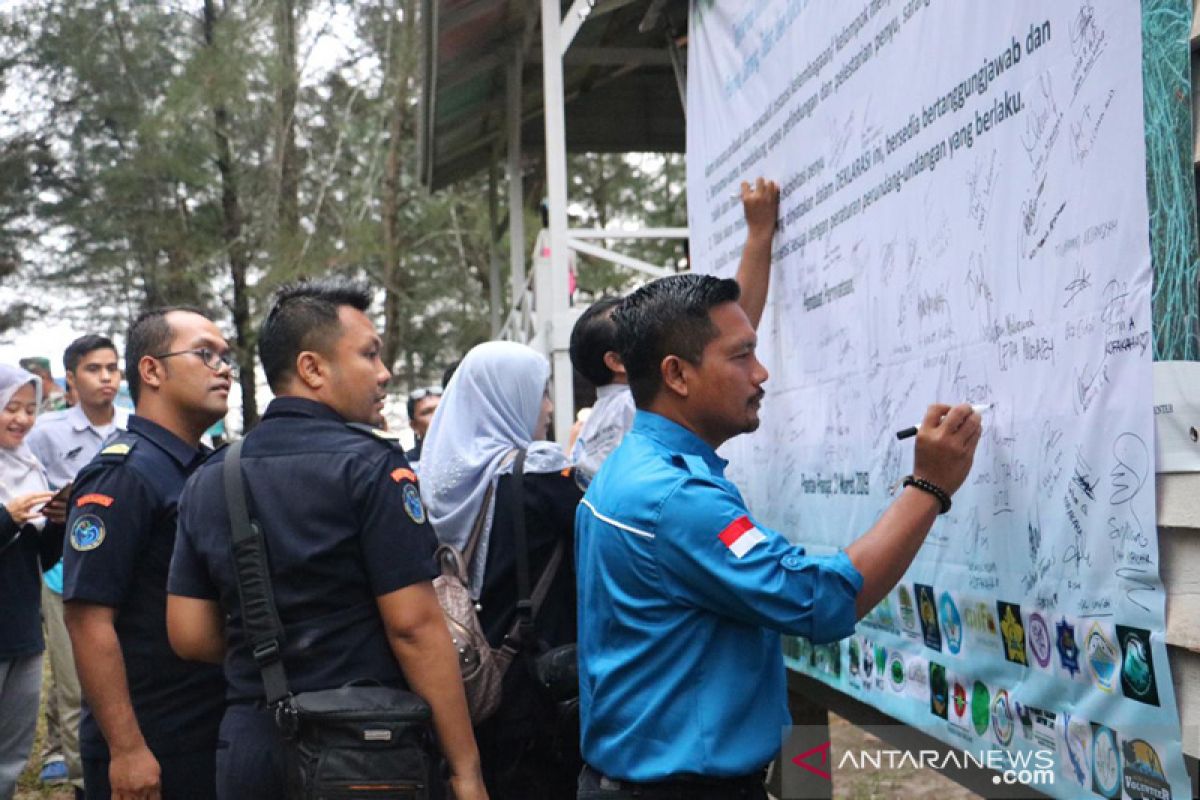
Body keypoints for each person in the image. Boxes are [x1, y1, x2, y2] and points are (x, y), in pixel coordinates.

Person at [575, 274, 982, 798]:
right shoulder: (677, 497)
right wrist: (928, 486)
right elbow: (819, 599)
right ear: (676, 374)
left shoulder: (633, 467)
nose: (761, 374)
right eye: (741, 356)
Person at [165, 279, 486, 800]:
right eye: (370, 355)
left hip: (252, 742)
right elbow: (414, 628)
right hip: (363, 745)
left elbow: (189, 634)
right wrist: (466, 768)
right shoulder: (371, 465)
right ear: (313, 368)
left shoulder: (211, 476)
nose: (384, 375)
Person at [63, 308, 232, 800]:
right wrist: (127, 749)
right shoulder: (124, 475)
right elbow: (88, 619)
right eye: (205, 354)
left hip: (206, 728)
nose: (222, 368)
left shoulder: (199, 467)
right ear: (152, 371)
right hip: (153, 741)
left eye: (226, 357)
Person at [420, 341, 582, 799]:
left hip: (459, 682)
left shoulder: (431, 481)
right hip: (533, 685)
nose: (547, 406)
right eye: (539, 391)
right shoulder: (542, 477)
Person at [568, 177, 781, 487]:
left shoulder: (598, 422)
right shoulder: (633, 409)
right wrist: (759, 235)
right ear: (617, 361)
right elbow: (737, 323)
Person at [27, 335, 128, 794]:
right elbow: (25, 495)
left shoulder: (134, 427)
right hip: (65, 572)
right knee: (74, 683)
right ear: (71, 377)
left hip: (128, 573)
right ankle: (84, 778)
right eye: (94, 369)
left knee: (124, 674)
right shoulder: (45, 433)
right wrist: (53, 506)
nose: (106, 377)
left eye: (112, 367)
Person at [0, 366, 64, 800]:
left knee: (13, 748)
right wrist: (8, 517)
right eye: (11, 407)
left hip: (21, 629)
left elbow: (41, 559)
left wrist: (58, 523)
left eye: (30, 409)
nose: (22, 419)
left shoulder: (28, 467)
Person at [405, 385, 442, 465]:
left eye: (440, 409)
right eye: (427, 412)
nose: (436, 416)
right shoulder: (405, 464)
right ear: (414, 425)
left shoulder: (470, 455)